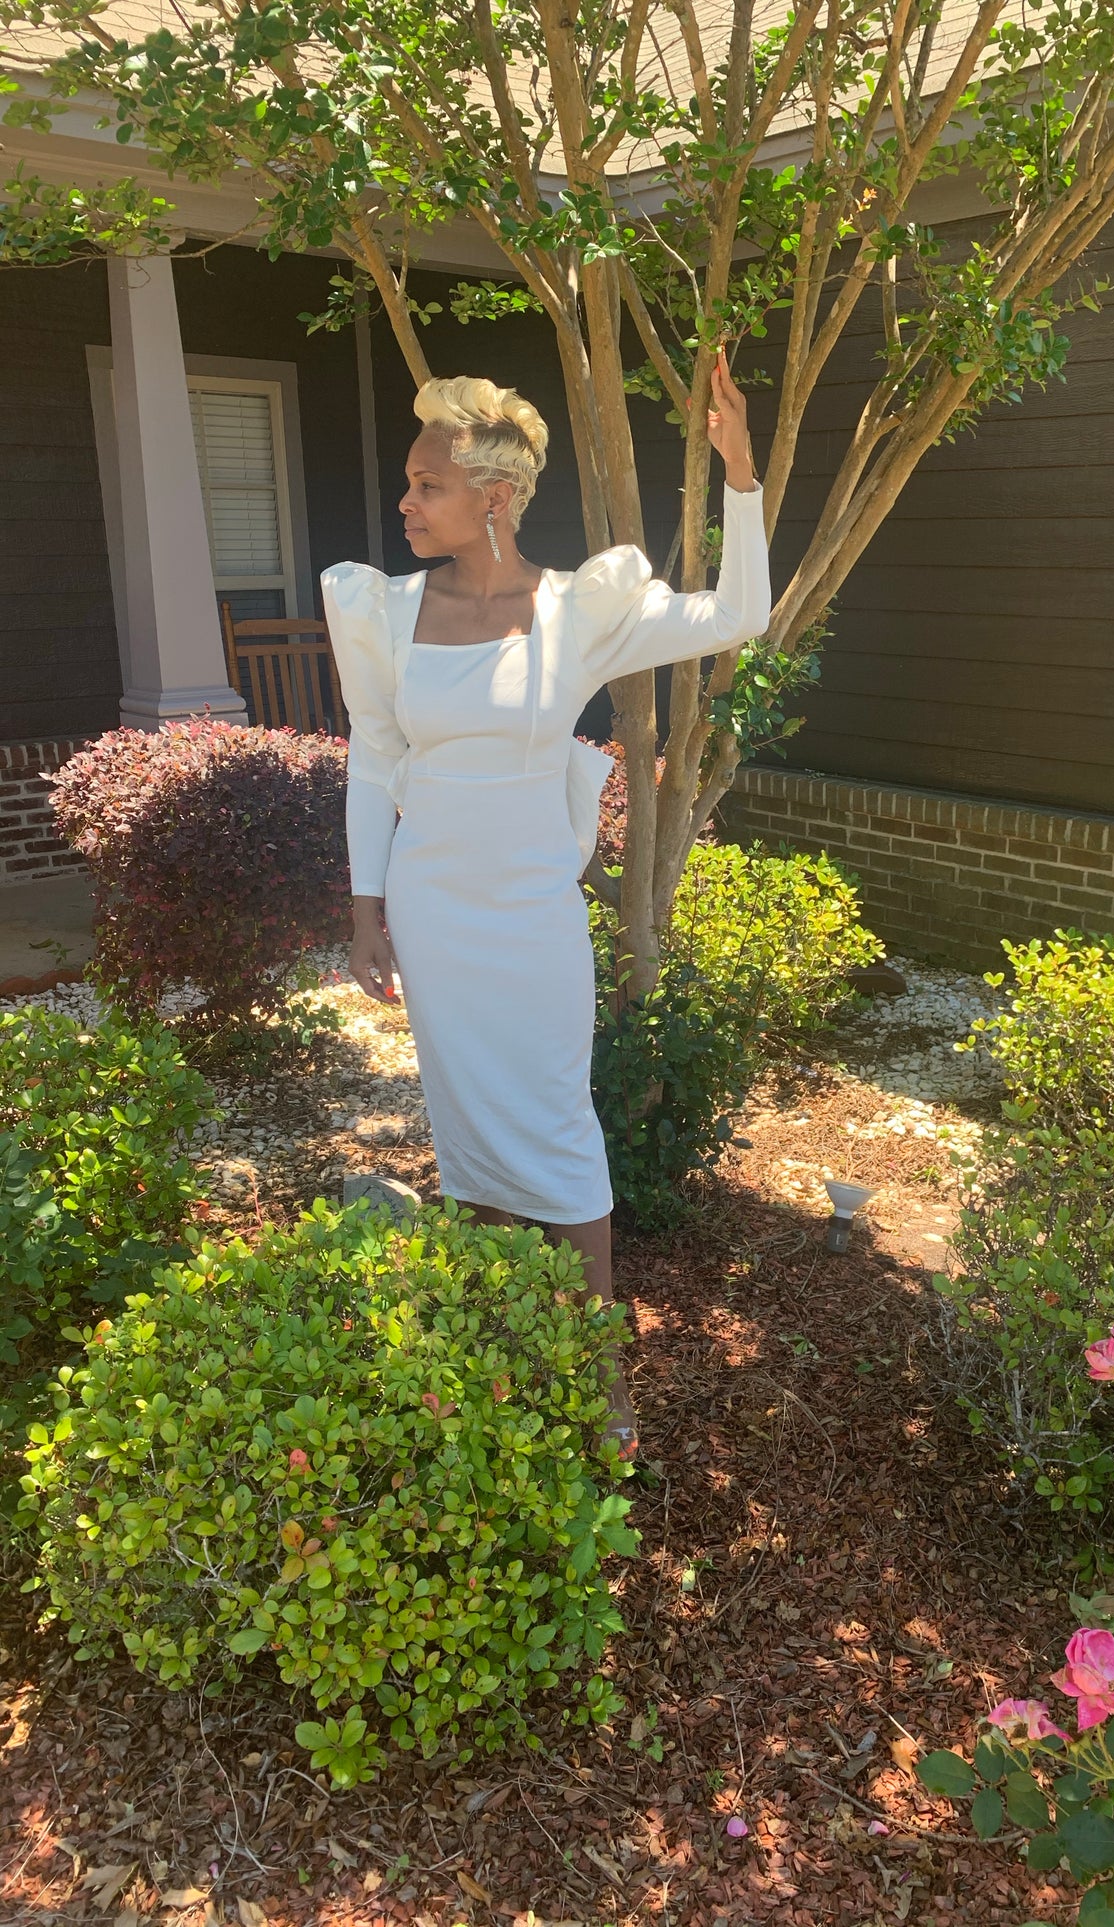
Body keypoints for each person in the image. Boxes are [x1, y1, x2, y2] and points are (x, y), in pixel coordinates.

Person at [321, 351, 771, 1458]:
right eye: (411, 483)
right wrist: (364, 907)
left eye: (427, 484)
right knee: (466, 1133)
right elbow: (374, 760)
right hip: (432, 906)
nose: (405, 502)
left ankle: (600, 1373)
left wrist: (739, 475)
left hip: (528, 912)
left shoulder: (575, 611)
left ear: (495, 498)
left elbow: (742, 614)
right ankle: (492, 1348)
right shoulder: (382, 612)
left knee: (561, 1134)